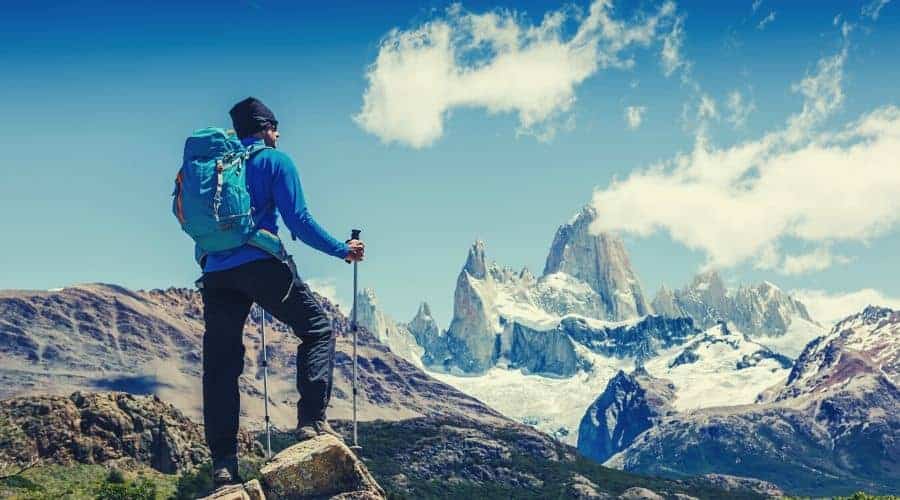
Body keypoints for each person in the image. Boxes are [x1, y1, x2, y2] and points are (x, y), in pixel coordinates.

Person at [198, 97, 364, 486]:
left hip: (216, 273)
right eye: (274, 127)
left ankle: (223, 462)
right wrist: (343, 250)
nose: (278, 134)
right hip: (261, 264)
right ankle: (310, 422)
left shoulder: (216, 169)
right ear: (265, 128)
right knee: (317, 328)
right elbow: (299, 221)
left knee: (221, 365)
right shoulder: (275, 161)